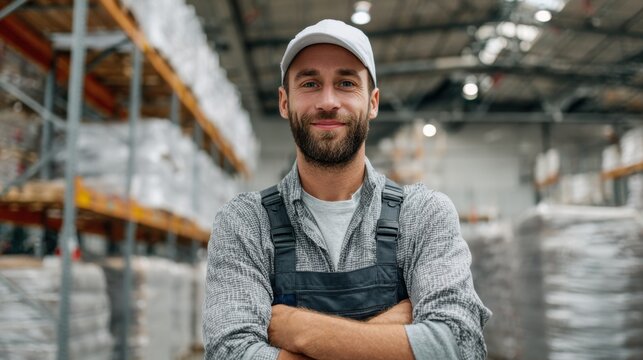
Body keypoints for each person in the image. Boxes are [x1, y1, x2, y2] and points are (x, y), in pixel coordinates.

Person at [204, 19, 491, 360]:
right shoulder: (246, 222)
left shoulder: (423, 213)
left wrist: (297, 329)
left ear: (373, 102)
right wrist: (398, 330)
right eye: (310, 83)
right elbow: (229, 353)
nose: (328, 101)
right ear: (284, 102)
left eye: (345, 83)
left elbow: (461, 344)